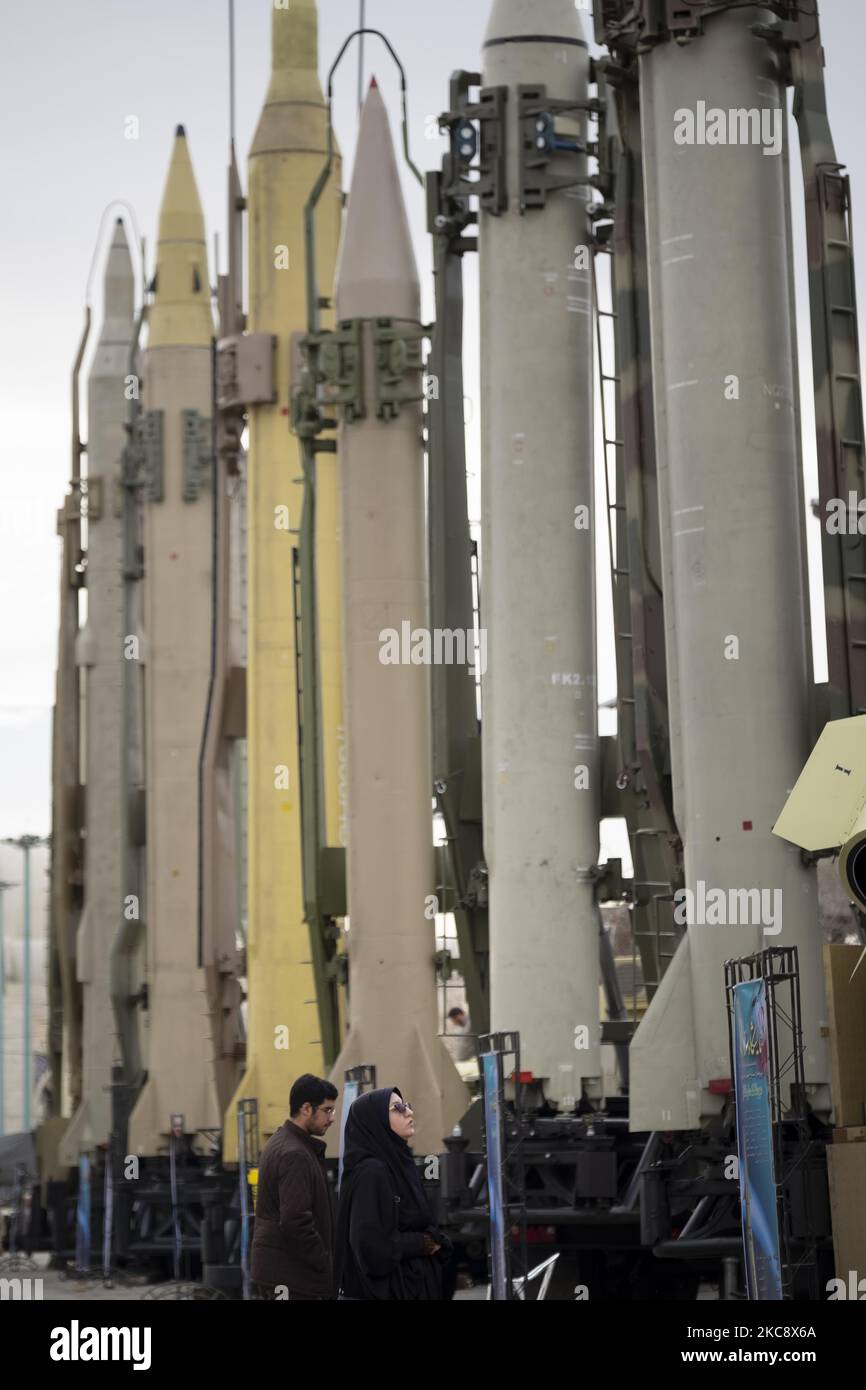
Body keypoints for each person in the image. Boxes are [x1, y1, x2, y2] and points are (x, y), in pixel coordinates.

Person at [334, 1087, 455, 1300]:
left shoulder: (398, 1162)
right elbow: (371, 1245)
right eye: (396, 1108)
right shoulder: (371, 1172)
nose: (408, 1112)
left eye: (407, 1105)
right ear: (375, 1121)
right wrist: (422, 1243)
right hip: (391, 1290)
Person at [250, 1073, 338, 1300]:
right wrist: (324, 1261)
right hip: (291, 1277)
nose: (332, 1118)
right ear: (306, 1109)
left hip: (283, 1273)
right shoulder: (295, 1154)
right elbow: (295, 1221)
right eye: (327, 1111)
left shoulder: (283, 1143)